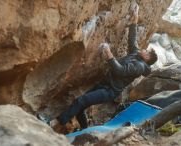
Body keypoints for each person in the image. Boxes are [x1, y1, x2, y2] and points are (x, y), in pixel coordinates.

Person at [41, 2, 158, 130]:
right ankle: (85, 129)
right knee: (81, 105)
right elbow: (132, 39)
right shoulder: (136, 54)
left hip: (109, 91)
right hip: (104, 84)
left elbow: (120, 71)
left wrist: (108, 53)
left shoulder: (139, 66)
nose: (144, 50)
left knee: (81, 101)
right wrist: (135, 17)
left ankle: (53, 123)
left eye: (147, 51)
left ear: (147, 58)